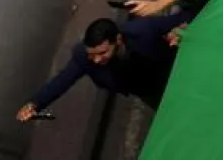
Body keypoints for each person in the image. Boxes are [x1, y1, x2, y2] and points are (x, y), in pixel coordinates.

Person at [15, 16, 183, 121]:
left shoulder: (142, 30)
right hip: (146, 91)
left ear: (118, 40)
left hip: (174, 72)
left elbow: (182, 18)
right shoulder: (83, 57)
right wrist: (35, 104)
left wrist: (180, 32)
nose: (96, 60)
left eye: (102, 53)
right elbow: (62, 81)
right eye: (92, 55)